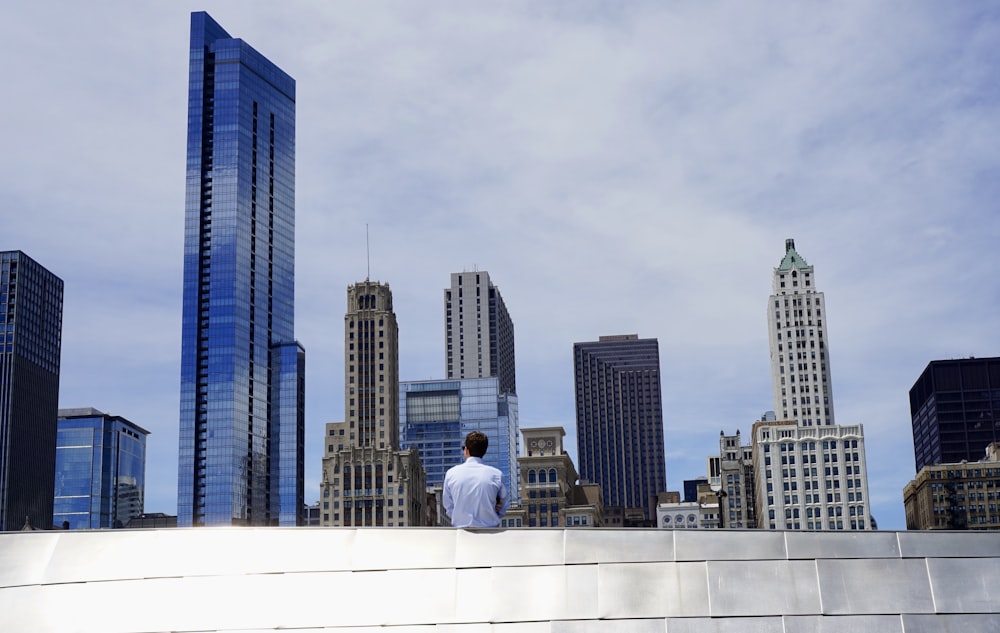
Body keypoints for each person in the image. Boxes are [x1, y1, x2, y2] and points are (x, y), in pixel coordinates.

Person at [442, 431, 509, 528]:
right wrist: (493, 515)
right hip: (490, 533)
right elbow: (503, 505)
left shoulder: (451, 473)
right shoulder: (496, 475)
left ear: (466, 450)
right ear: (484, 451)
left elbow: (448, 507)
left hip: (462, 534)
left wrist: (460, 519)